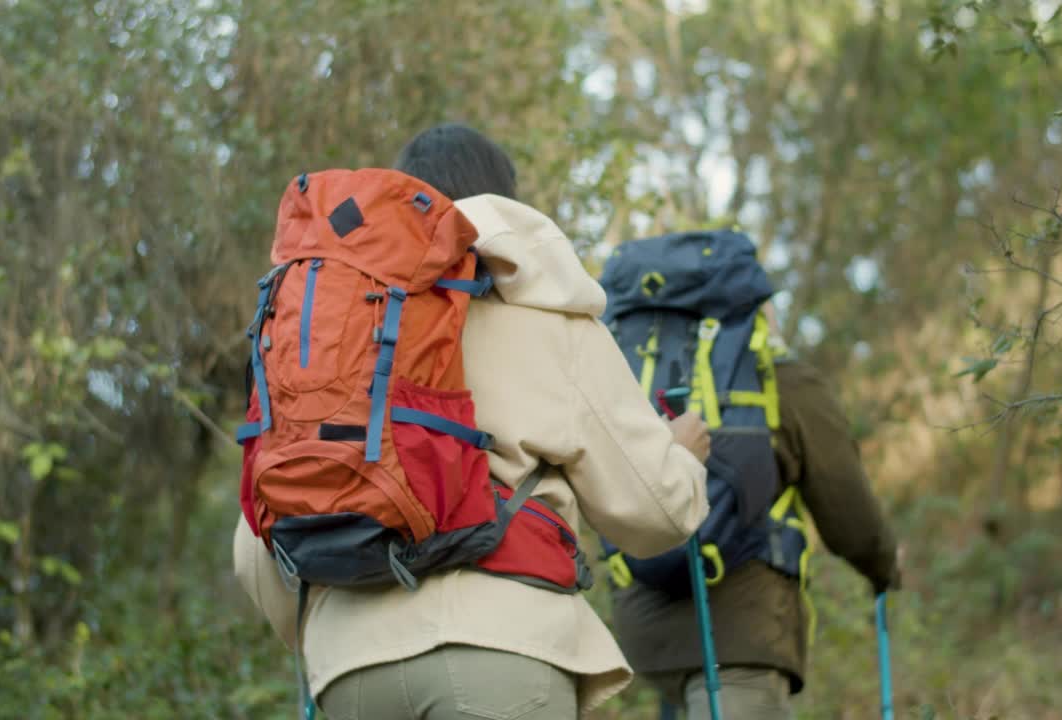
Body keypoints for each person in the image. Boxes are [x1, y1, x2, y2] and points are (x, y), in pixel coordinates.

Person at [232, 123, 711, 719]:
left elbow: (257, 542)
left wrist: (331, 637)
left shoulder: (328, 328)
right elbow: (652, 509)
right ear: (508, 203)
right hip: (500, 654)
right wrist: (684, 459)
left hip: (349, 672)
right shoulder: (547, 315)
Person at [608, 288, 900, 719]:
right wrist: (885, 566)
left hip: (647, 632)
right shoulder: (784, 381)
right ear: (759, 313)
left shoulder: (646, 382)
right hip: (744, 634)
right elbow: (849, 515)